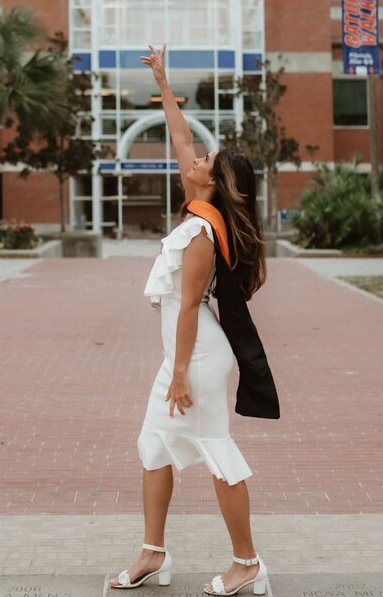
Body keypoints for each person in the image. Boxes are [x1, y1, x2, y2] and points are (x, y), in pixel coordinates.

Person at [109, 44, 270, 596]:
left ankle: (247, 562)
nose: (195, 158)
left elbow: (188, 310)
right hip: (184, 355)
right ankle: (152, 553)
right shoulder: (198, 206)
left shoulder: (203, 232)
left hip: (196, 356)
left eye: (207, 161)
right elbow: (180, 137)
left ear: (215, 183)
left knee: (217, 451)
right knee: (153, 446)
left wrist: (178, 373)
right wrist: (162, 80)